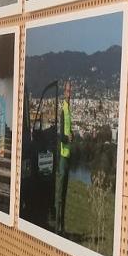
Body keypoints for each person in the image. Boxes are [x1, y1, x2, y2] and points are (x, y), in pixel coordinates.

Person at [54, 81, 73, 234]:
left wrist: (71, 135)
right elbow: (61, 136)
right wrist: (68, 138)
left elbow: (68, 131)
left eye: (70, 91)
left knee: (65, 191)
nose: (69, 93)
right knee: (60, 192)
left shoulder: (69, 109)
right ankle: (57, 225)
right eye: (67, 90)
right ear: (64, 92)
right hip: (62, 154)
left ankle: (63, 226)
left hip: (68, 154)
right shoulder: (63, 109)